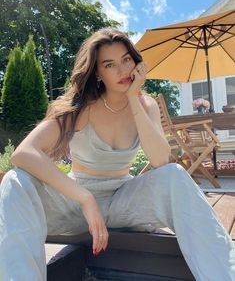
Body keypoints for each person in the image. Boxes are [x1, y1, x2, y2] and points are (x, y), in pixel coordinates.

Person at [0, 28, 234, 281]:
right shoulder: (79, 108)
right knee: (15, 180)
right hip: (76, 206)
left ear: (135, 61)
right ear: (98, 73)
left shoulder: (146, 104)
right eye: (110, 65)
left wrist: (134, 98)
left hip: (124, 203)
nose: (122, 70)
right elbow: (23, 153)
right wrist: (85, 198)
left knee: (175, 175)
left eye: (126, 59)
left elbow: (159, 161)